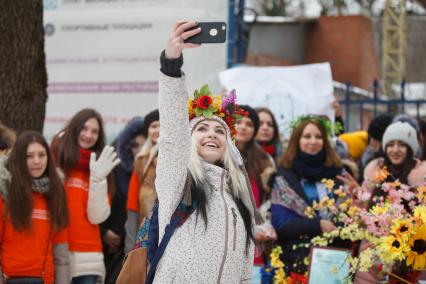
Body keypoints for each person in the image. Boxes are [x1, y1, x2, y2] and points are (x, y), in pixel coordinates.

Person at [149, 21, 262, 283]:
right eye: (202, 128)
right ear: (189, 139)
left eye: (220, 131)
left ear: (228, 144)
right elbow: (174, 134)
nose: (212, 133)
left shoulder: (238, 194)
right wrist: (171, 65)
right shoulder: (178, 181)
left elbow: (245, 267)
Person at [352, 121, 426, 283]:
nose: (395, 150)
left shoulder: (421, 179)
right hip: (372, 256)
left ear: (411, 148)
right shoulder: (374, 173)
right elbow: (360, 213)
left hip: (408, 257)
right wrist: (355, 198)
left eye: (401, 145)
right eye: (391, 144)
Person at [270, 116, 344, 276]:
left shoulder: (339, 174)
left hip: (335, 262)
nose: (313, 141)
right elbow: (281, 224)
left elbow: (350, 219)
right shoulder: (285, 177)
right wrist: (318, 225)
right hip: (296, 263)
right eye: (307, 136)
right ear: (297, 140)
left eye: (318, 137)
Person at [54, 108, 120, 284]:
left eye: (94, 132)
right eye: (84, 128)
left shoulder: (101, 166)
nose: (88, 135)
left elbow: (96, 216)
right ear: (75, 129)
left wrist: (97, 178)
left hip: (87, 256)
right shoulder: (55, 159)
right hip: (56, 251)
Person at [0, 131, 69, 284]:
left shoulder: (55, 194)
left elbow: (61, 252)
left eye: (41, 155)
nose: (37, 161)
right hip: (8, 279)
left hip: (44, 280)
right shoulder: (5, 192)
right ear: (19, 159)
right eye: (29, 156)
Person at [101, 116, 145, 283]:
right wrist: (104, 231)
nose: (139, 149)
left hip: (137, 244)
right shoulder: (115, 169)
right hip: (111, 244)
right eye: (135, 145)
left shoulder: (152, 173)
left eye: (143, 144)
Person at [235, 105, 276, 266]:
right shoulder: (217, 155)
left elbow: (268, 199)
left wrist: (262, 227)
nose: (243, 127)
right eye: (239, 122)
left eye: (250, 124)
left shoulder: (264, 160)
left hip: (254, 234)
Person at [124, 110, 159, 254]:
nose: (158, 130)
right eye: (153, 126)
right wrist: (130, 250)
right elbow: (132, 204)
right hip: (145, 233)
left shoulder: (182, 159)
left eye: (162, 125)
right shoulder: (141, 160)